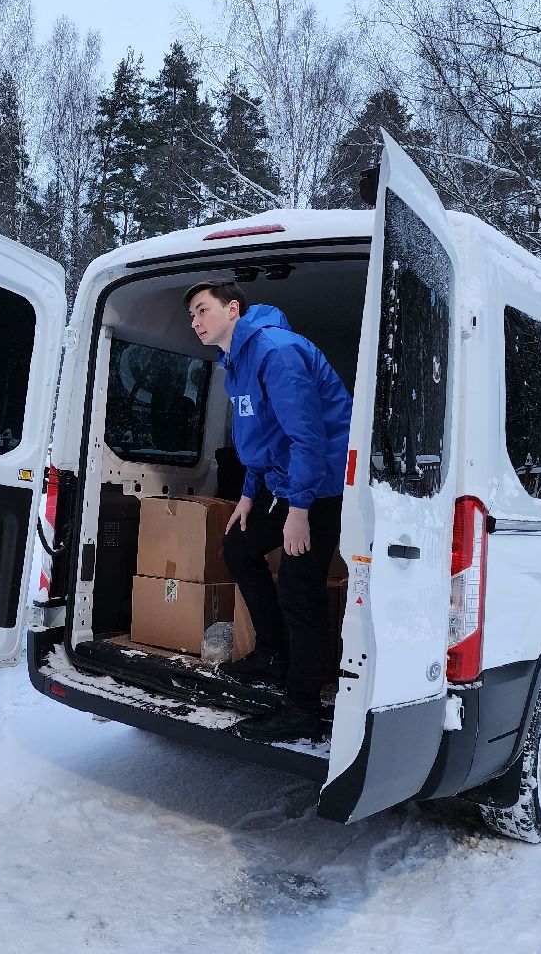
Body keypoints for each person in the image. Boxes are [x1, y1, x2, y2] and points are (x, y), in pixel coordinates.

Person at [185, 280, 352, 743]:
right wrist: (248, 494)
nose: (195, 322)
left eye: (202, 310)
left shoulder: (275, 353)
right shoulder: (234, 361)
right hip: (287, 480)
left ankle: (302, 707)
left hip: (321, 485)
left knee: (301, 592)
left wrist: (298, 508)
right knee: (239, 547)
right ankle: (274, 654)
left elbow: (307, 436)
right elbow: (261, 439)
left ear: (232, 308)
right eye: (191, 316)